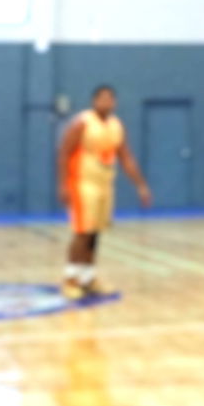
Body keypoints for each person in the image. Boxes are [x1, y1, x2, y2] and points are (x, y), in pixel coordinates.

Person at [58, 85, 151, 299]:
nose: (106, 103)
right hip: (82, 183)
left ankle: (88, 277)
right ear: (94, 101)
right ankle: (71, 278)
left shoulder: (116, 126)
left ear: (115, 103)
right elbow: (63, 153)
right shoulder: (82, 123)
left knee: (95, 232)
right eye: (102, 99)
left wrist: (140, 185)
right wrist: (63, 184)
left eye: (110, 99)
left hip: (104, 184)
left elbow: (126, 157)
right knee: (82, 232)